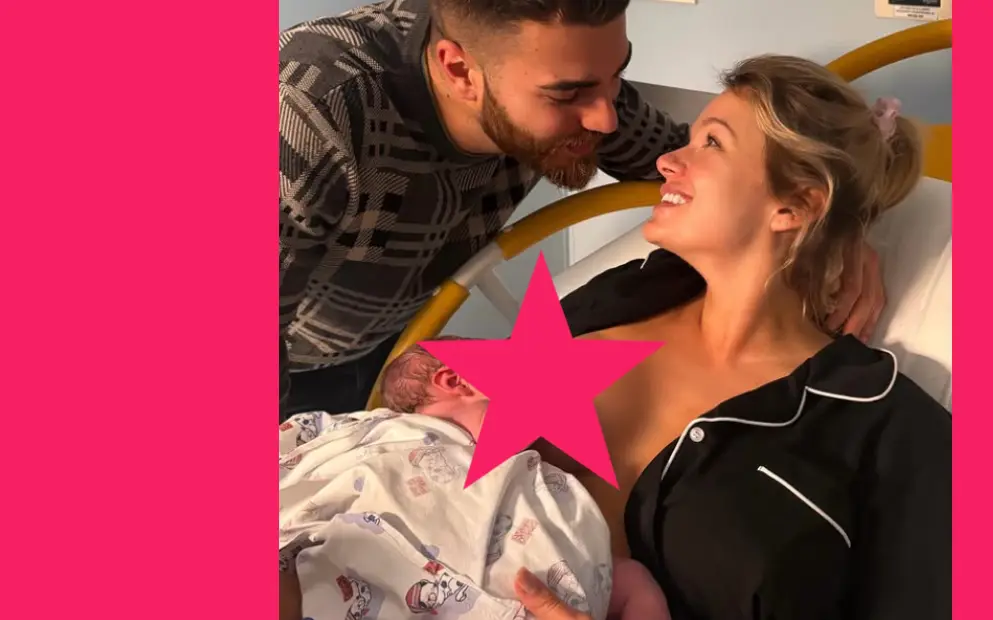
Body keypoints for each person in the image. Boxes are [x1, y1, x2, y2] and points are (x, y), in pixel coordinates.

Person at [278, 0, 888, 421]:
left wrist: (834, 225)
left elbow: (706, 170)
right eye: (567, 94)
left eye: (614, 76)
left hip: (389, 336)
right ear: (459, 70)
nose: (604, 119)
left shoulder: (563, 75)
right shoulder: (305, 113)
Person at [510, 55, 953, 619]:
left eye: (712, 143)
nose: (668, 160)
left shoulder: (887, 435)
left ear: (795, 204)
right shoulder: (613, 298)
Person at [277, 342, 672, 620]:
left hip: (548, 591)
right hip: (366, 577)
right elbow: (304, 445)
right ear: (456, 381)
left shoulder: (532, 473)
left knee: (632, 578)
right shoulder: (387, 433)